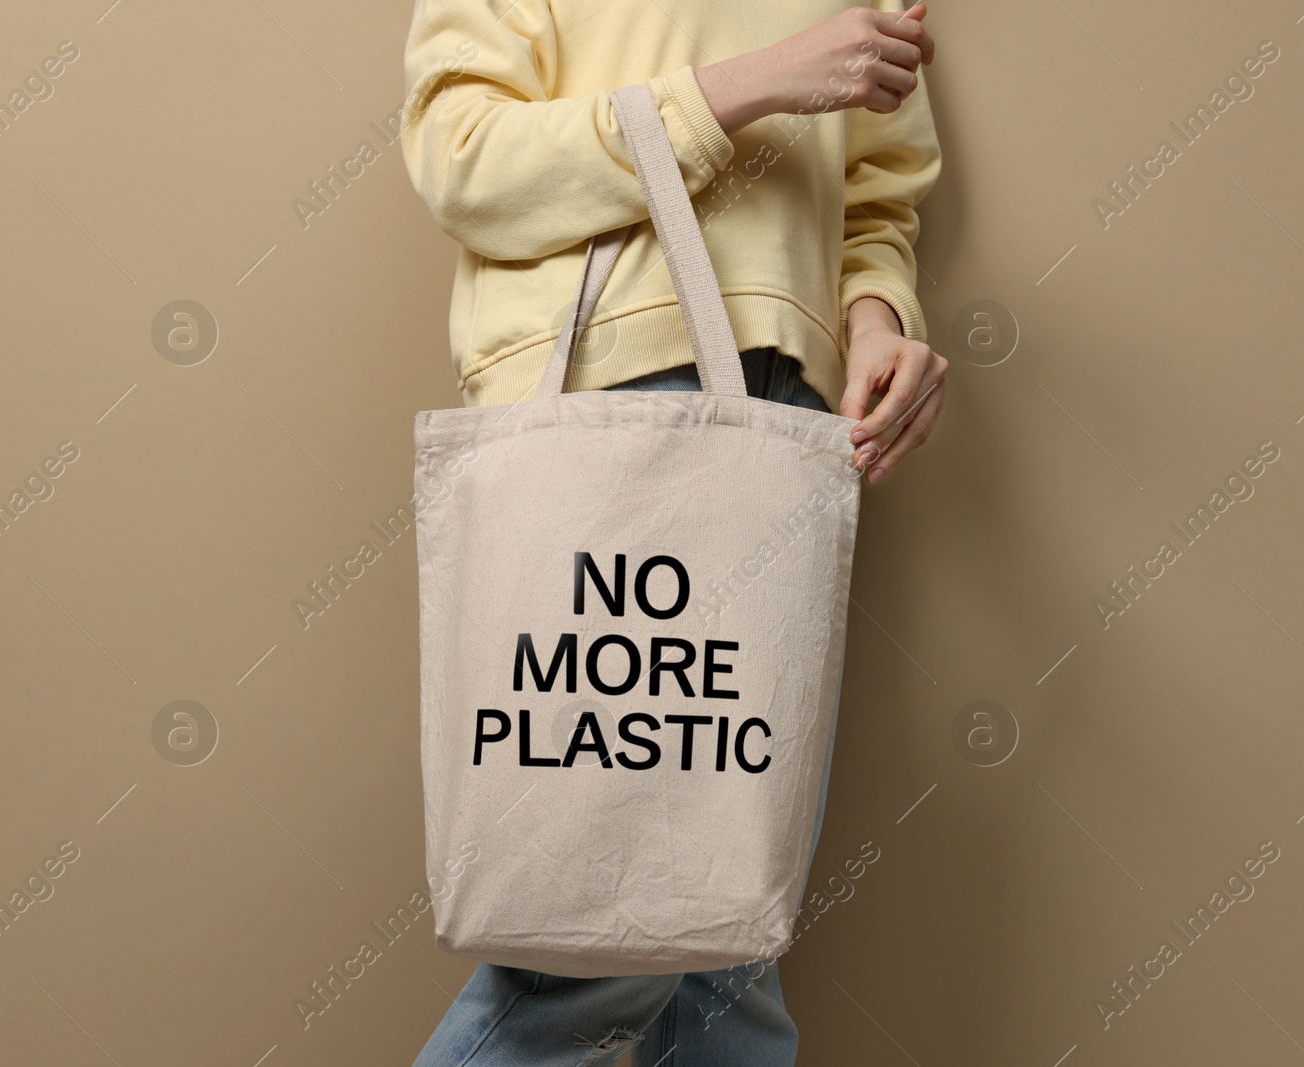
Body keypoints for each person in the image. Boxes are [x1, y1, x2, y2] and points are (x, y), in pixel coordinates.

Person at [399, 2, 944, 1062]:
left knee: (729, 941)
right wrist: (753, 81)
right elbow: (464, 164)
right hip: (605, 400)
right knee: (615, 947)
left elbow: (875, 198)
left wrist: (879, 319)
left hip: (793, 415)